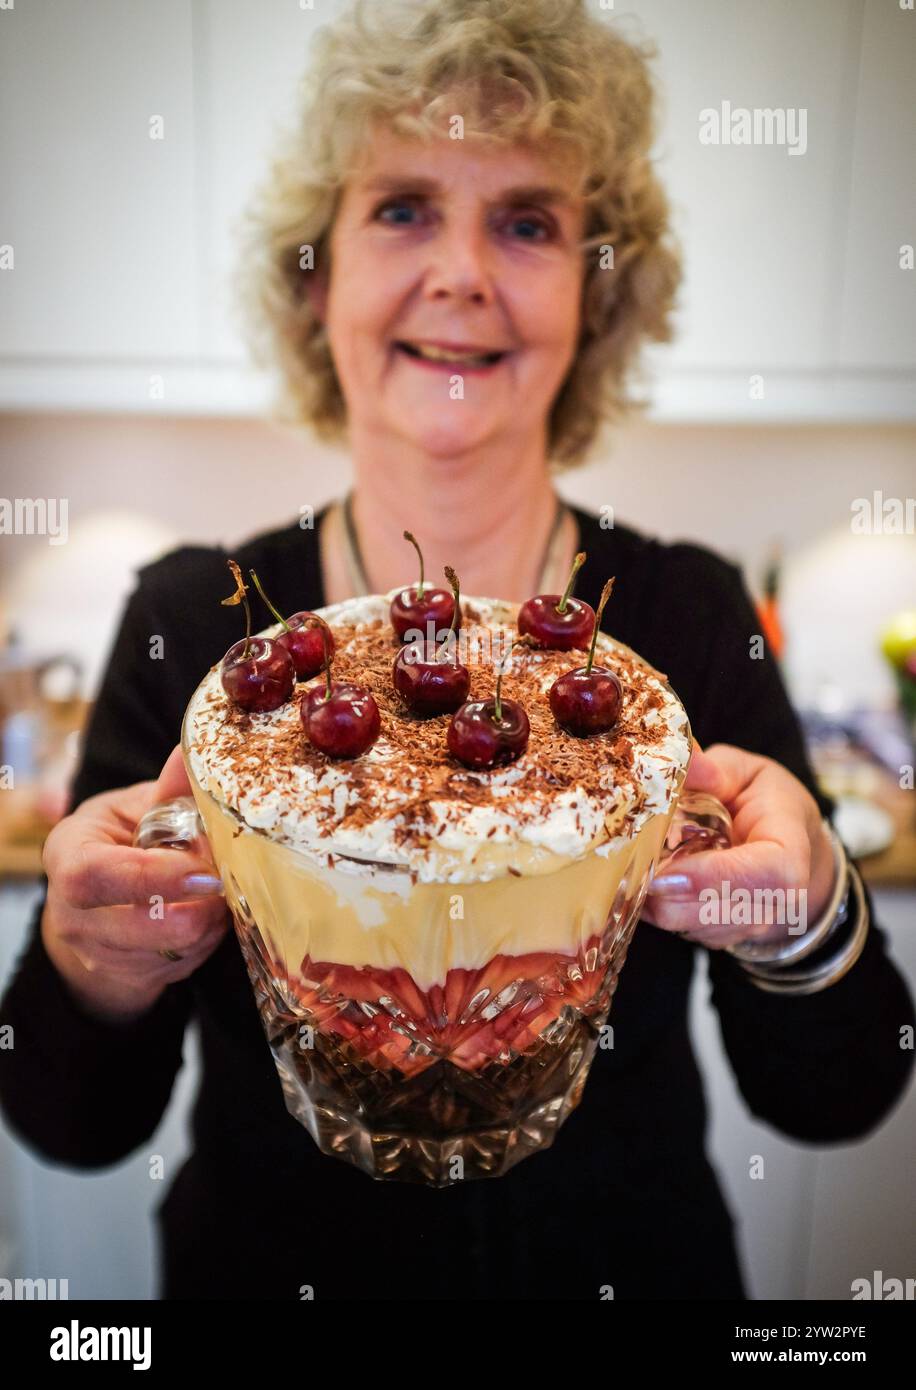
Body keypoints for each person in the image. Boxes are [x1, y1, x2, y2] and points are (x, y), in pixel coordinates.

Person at [1, 0, 913, 1300]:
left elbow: (837, 1098)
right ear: (316, 276)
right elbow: (74, 1128)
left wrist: (806, 915)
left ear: (598, 293)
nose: (464, 272)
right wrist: (86, 968)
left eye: (529, 221)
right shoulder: (198, 624)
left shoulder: (687, 622)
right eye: (404, 207)